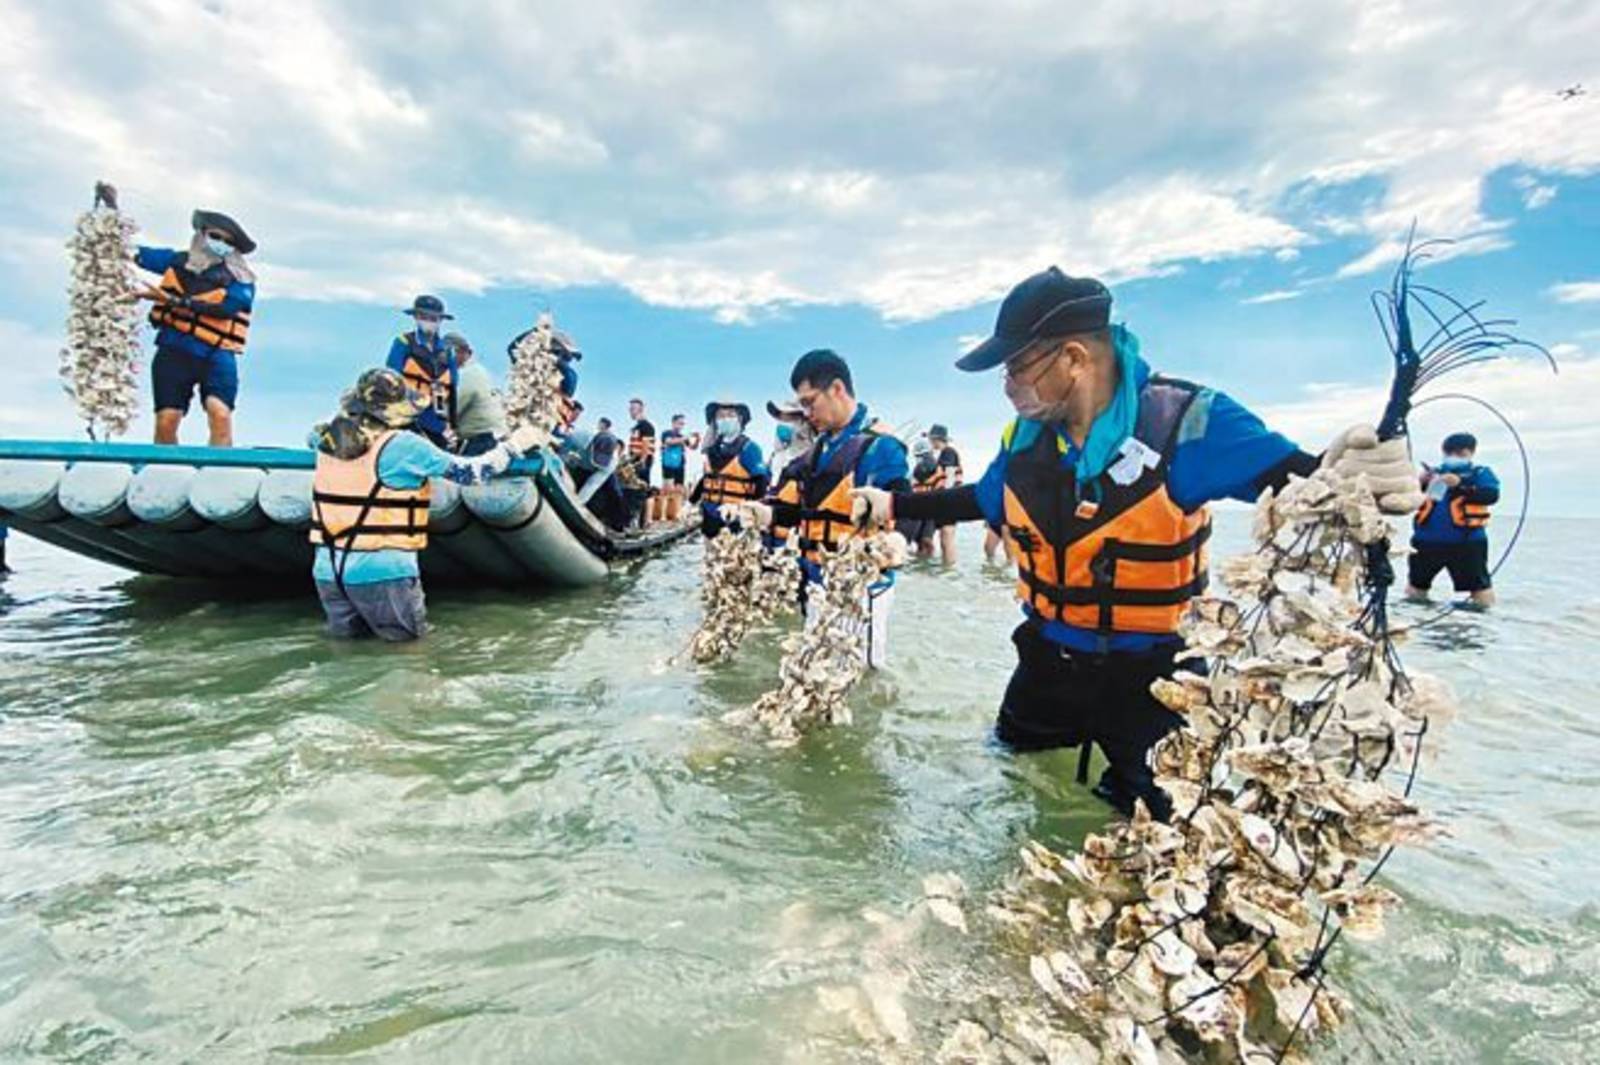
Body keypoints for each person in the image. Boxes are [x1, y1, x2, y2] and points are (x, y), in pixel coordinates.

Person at [849, 267, 1421, 819]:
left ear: (1074, 357)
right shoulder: (1025, 443)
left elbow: (1304, 483)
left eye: (1018, 367)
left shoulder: (1190, 422)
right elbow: (982, 499)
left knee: (1151, 826)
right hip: (1046, 664)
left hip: (1155, 681)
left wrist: (1361, 477)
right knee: (1013, 779)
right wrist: (894, 504)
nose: (1007, 387)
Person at [308, 368, 529, 641]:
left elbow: (326, 432)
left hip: (328, 569)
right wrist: (512, 447)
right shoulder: (404, 446)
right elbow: (471, 473)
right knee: (407, 655)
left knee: (347, 651)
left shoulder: (323, 439)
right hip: (383, 570)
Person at [736, 350, 910, 668]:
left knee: (858, 678)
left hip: (859, 586)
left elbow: (905, 510)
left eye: (809, 401)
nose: (806, 411)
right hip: (814, 579)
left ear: (837, 389)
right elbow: (807, 515)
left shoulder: (880, 446)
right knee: (813, 669)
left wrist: (897, 541)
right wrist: (769, 514)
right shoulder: (819, 450)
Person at [128, 197, 257, 447]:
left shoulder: (242, 280)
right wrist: (110, 209)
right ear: (201, 234)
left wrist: (174, 301)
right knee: (167, 419)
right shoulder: (176, 261)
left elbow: (226, 309)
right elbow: (130, 252)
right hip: (174, 350)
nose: (220, 244)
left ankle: (220, 475)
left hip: (217, 354)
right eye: (215, 236)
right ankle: (164, 474)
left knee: (219, 414)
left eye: (228, 242)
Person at [1407, 432, 1499, 608]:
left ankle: (1482, 628)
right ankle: (1412, 624)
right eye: (1449, 453)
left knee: (1480, 589)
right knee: (1416, 587)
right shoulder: (1433, 473)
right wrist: (1419, 482)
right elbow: (1410, 498)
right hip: (1426, 542)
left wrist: (1460, 486)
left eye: (1460, 454)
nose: (1453, 457)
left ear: (1471, 453)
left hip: (1467, 543)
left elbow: (1491, 495)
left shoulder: (1480, 473)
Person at [385, 295, 459, 450]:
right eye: (424, 316)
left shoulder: (448, 350)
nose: (429, 321)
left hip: (436, 420)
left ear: (440, 320)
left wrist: (450, 423)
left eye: (434, 318)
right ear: (416, 317)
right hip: (407, 417)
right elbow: (391, 378)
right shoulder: (403, 342)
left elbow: (453, 385)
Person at [691, 399, 770, 537]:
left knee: (735, 555)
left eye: (730, 415)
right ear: (715, 421)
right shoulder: (712, 449)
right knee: (711, 554)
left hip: (736, 514)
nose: (725, 419)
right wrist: (690, 502)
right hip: (710, 515)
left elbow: (761, 481)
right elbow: (706, 479)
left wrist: (751, 511)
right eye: (720, 416)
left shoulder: (750, 448)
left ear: (740, 419)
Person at [443, 333, 508, 456]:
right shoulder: (477, 370)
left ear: (459, 352)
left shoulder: (467, 374)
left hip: (480, 442)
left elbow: (451, 410)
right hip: (488, 438)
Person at [900, 436, 943, 558]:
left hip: (920, 505)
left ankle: (917, 566)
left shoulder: (924, 464)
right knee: (926, 540)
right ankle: (924, 567)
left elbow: (916, 482)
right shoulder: (936, 464)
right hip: (932, 506)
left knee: (913, 541)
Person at [928, 424, 964, 564]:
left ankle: (948, 569)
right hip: (950, 499)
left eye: (931, 440)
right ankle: (947, 571)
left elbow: (948, 475)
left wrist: (944, 497)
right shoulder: (947, 453)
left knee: (946, 537)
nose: (931, 443)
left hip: (948, 500)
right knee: (945, 537)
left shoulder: (948, 452)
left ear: (936, 439)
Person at [654, 413, 699, 522]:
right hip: (668, 464)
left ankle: (677, 514)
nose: (681, 426)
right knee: (666, 490)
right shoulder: (666, 433)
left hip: (680, 464)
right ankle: (663, 515)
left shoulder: (682, 436)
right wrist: (685, 438)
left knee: (679, 490)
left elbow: (692, 447)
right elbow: (669, 441)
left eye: (683, 424)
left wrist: (696, 440)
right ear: (673, 423)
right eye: (679, 423)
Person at [626, 398, 657, 528]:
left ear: (640, 409)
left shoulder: (646, 425)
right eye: (630, 409)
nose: (630, 411)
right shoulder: (636, 426)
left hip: (642, 460)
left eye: (633, 409)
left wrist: (643, 461)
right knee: (637, 487)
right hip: (635, 460)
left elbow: (646, 443)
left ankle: (647, 521)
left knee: (644, 487)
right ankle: (639, 520)